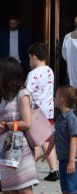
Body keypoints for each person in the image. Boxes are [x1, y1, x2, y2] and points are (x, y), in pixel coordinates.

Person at [0, 57, 39, 194]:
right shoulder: (6, 96)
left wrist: (7, 125)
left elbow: (27, 122)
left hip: (21, 148)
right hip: (7, 146)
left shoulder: (23, 94)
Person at [45, 86, 77, 194]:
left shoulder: (71, 118)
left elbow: (74, 139)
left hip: (71, 161)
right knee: (66, 192)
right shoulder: (60, 118)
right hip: (63, 160)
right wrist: (46, 153)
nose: (54, 99)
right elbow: (54, 136)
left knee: (74, 192)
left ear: (63, 99)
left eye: (56, 96)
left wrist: (72, 161)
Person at [25, 42, 58, 181]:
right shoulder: (50, 71)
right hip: (49, 109)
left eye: (29, 58)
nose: (29, 61)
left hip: (36, 111)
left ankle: (31, 172)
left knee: (32, 141)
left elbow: (27, 92)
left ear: (34, 57)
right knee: (47, 140)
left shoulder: (33, 74)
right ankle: (53, 169)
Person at [62, 16, 77, 87]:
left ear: (74, 24)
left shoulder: (67, 37)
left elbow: (64, 55)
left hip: (71, 70)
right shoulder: (67, 37)